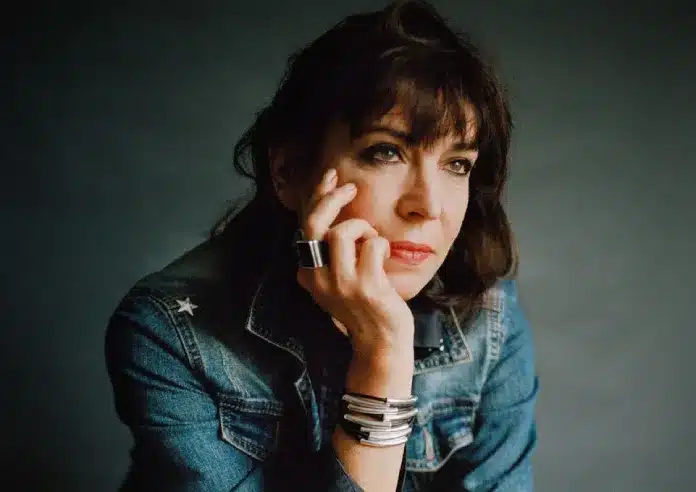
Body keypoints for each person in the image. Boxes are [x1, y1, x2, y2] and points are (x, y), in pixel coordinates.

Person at [104, 1, 539, 491]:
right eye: (385, 152)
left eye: (457, 164)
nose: (429, 205)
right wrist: (382, 359)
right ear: (289, 172)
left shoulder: (489, 317)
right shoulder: (169, 331)